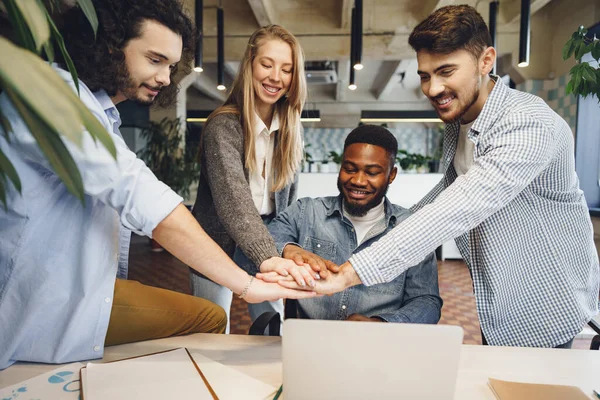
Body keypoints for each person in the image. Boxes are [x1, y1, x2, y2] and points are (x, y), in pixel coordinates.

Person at [0, 0, 315, 370]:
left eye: (171, 66)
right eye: (155, 60)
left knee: (253, 322)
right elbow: (152, 201)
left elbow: (286, 203)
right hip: (38, 300)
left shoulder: (103, 117)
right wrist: (251, 282)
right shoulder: (55, 100)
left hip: (81, 290)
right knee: (214, 317)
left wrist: (283, 249)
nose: (167, 78)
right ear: (111, 46)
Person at [278, 5, 599, 348]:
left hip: (553, 310)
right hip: (501, 307)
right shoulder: (460, 124)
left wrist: (347, 275)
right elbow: (449, 189)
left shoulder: (527, 123)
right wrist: (386, 224)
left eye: (446, 71)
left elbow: (459, 207)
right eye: (425, 75)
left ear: (486, 60)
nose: (433, 88)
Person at [191, 25, 318, 332]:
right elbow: (233, 202)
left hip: (266, 240)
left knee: (273, 330)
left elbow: (285, 208)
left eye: (286, 70)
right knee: (211, 329)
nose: (276, 77)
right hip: (215, 245)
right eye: (267, 64)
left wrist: (282, 249)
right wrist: (269, 258)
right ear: (249, 65)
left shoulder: (289, 132)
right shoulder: (223, 126)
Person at [262, 125, 442, 323]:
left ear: (391, 175)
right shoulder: (306, 212)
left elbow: (427, 302)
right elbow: (263, 239)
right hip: (312, 342)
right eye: (349, 169)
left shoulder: (411, 228)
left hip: (377, 345)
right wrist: (289, 249)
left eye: (372, 173)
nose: (358, 180)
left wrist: (381, 323)